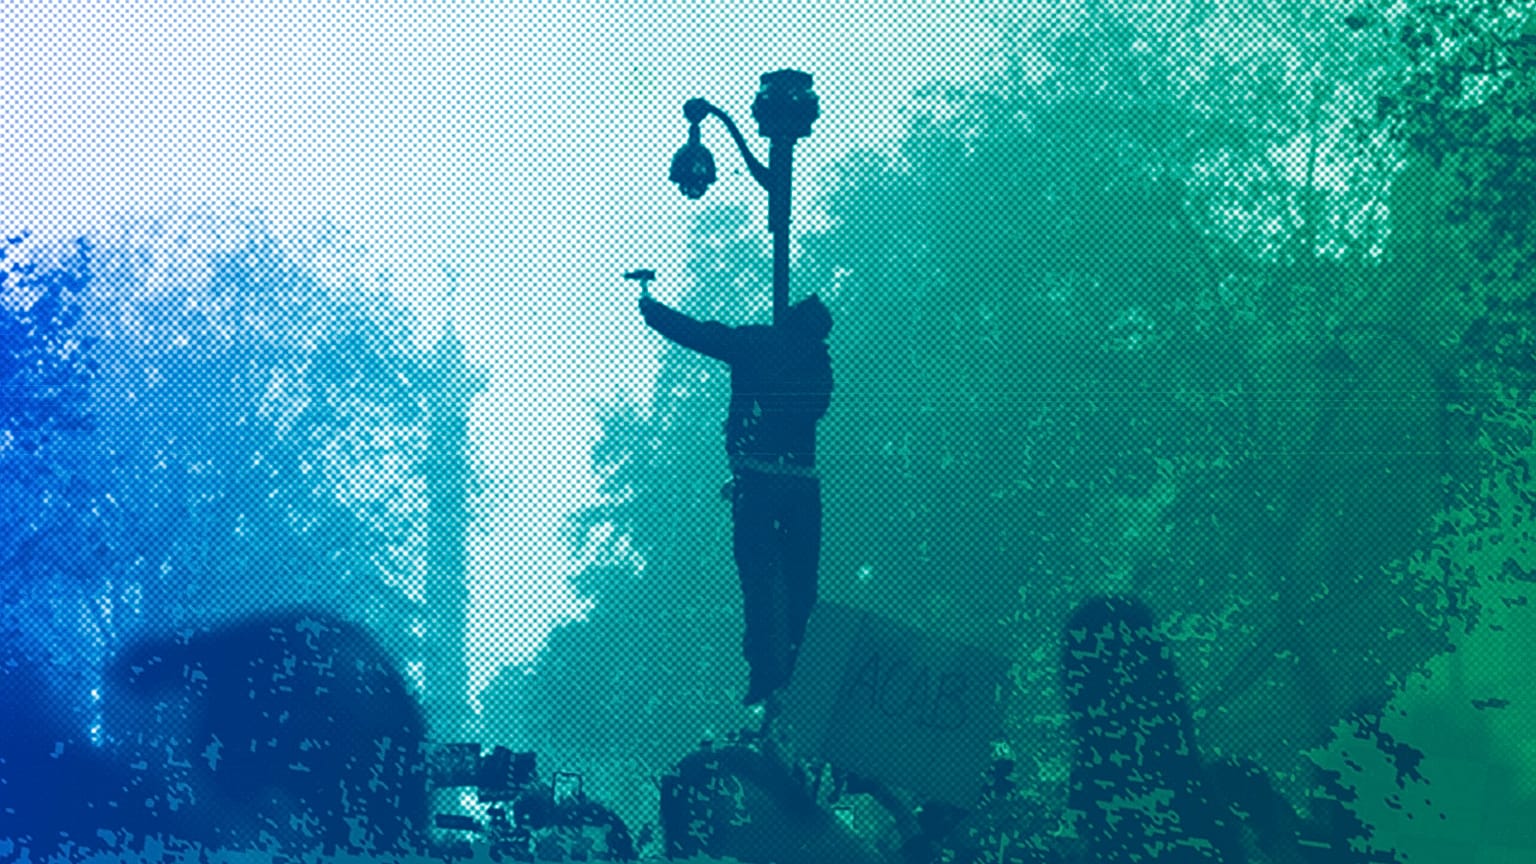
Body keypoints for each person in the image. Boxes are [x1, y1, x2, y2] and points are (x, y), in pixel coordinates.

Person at [638, 284, 833, 706]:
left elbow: (703, 335)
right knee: (802, 582)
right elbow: (817, 408)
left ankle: (765, 669)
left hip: (758, 478)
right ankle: (800, 666)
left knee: (758, 578)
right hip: (801, 479)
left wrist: (653, 311)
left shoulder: (757, 342)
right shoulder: (818, 360)